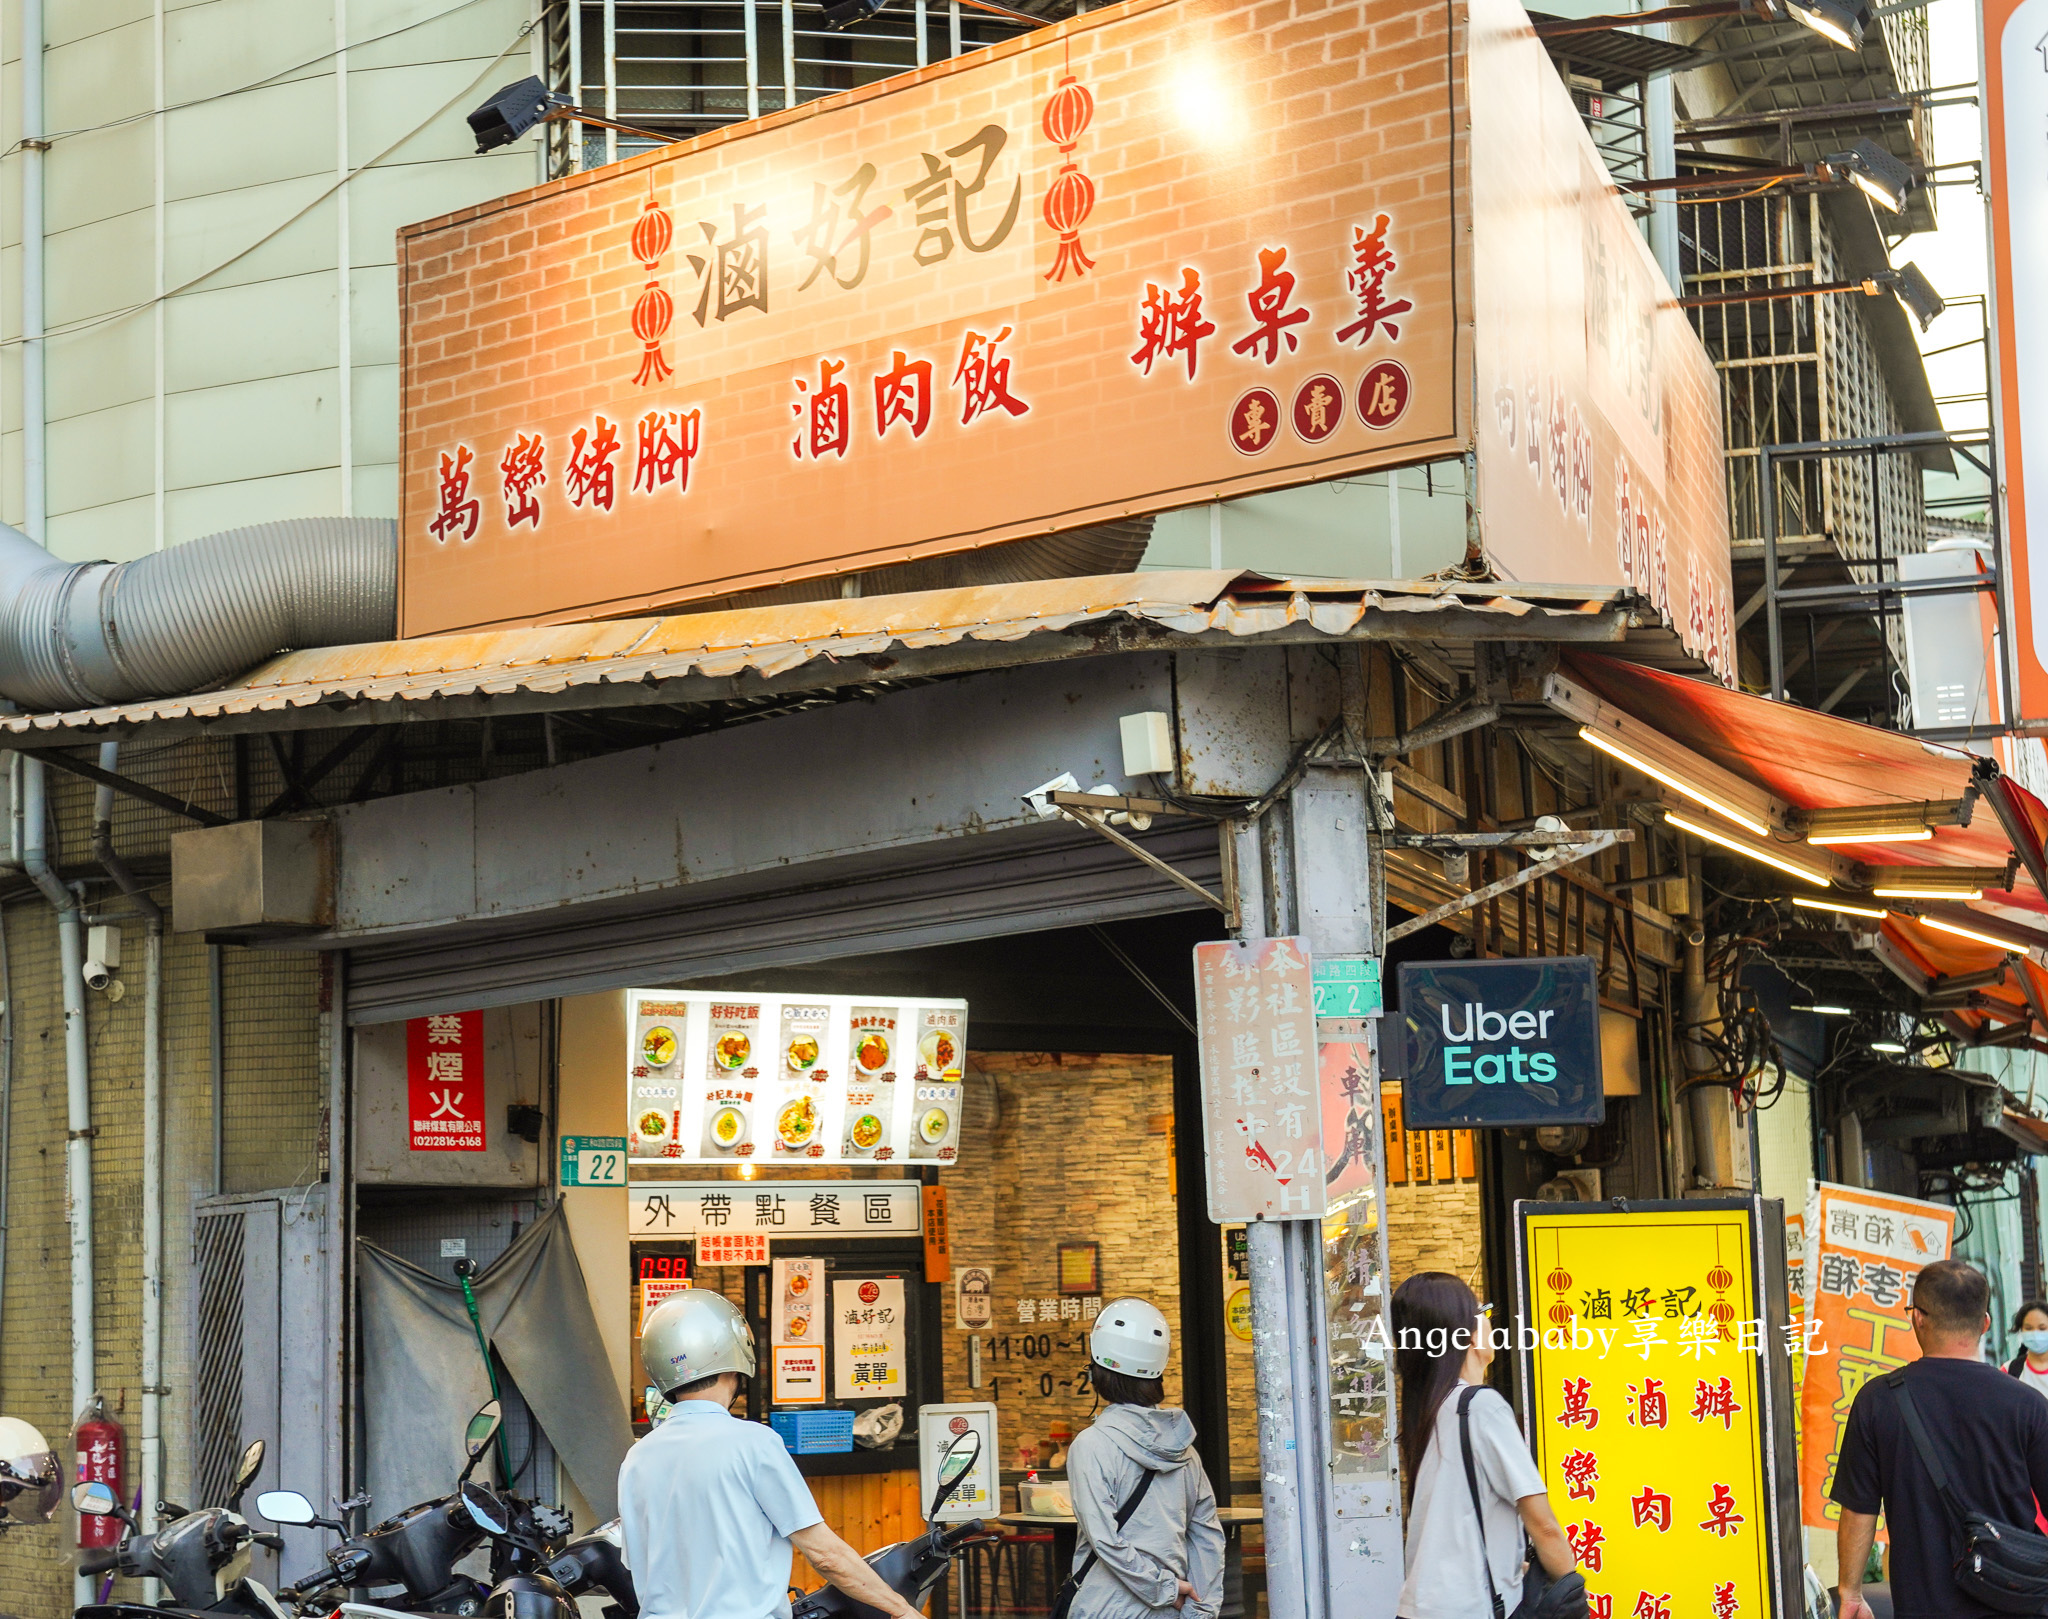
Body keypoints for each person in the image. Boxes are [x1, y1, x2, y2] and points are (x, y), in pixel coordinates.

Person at [618, 1289, 922, 1619]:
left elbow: (638, 1564)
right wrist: (901, 1610)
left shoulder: (637, 1457)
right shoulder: (753, 1443)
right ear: (733, 1359)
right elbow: (825, 1555)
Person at [1833, 1258, 2048, 1619]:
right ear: (1985, 1323)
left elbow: (1859, 1510)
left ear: (1916, 1317)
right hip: (2017, 1602)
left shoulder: (1877, 1401)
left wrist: (1851, 1593)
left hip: (1924, 1606)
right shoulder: (2027, 1404)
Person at [1391, 1272, 1574, 1619]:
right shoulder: (1481, 1407)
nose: (1490, 1321)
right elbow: (1544, 1525)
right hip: (1469, 1610)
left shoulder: (1430, 1410)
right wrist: (1571, 1592)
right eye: (1482, 1311)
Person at [1065, 1297, 1225, 1619]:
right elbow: (1207, 1536)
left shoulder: (1090, 1446)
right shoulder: (1185, 1450)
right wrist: (1199, 1610)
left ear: (1098, 1374)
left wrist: (1162, 1587)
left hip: (1105, 1608)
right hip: (1172, 1610)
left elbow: (1105, 1541)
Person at [2006, 1298, 2048, 1396]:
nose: (2035, 1334)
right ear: (2021, 1331)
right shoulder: (2008, 1371)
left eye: (2042, 1328)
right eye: (2028, 1328)